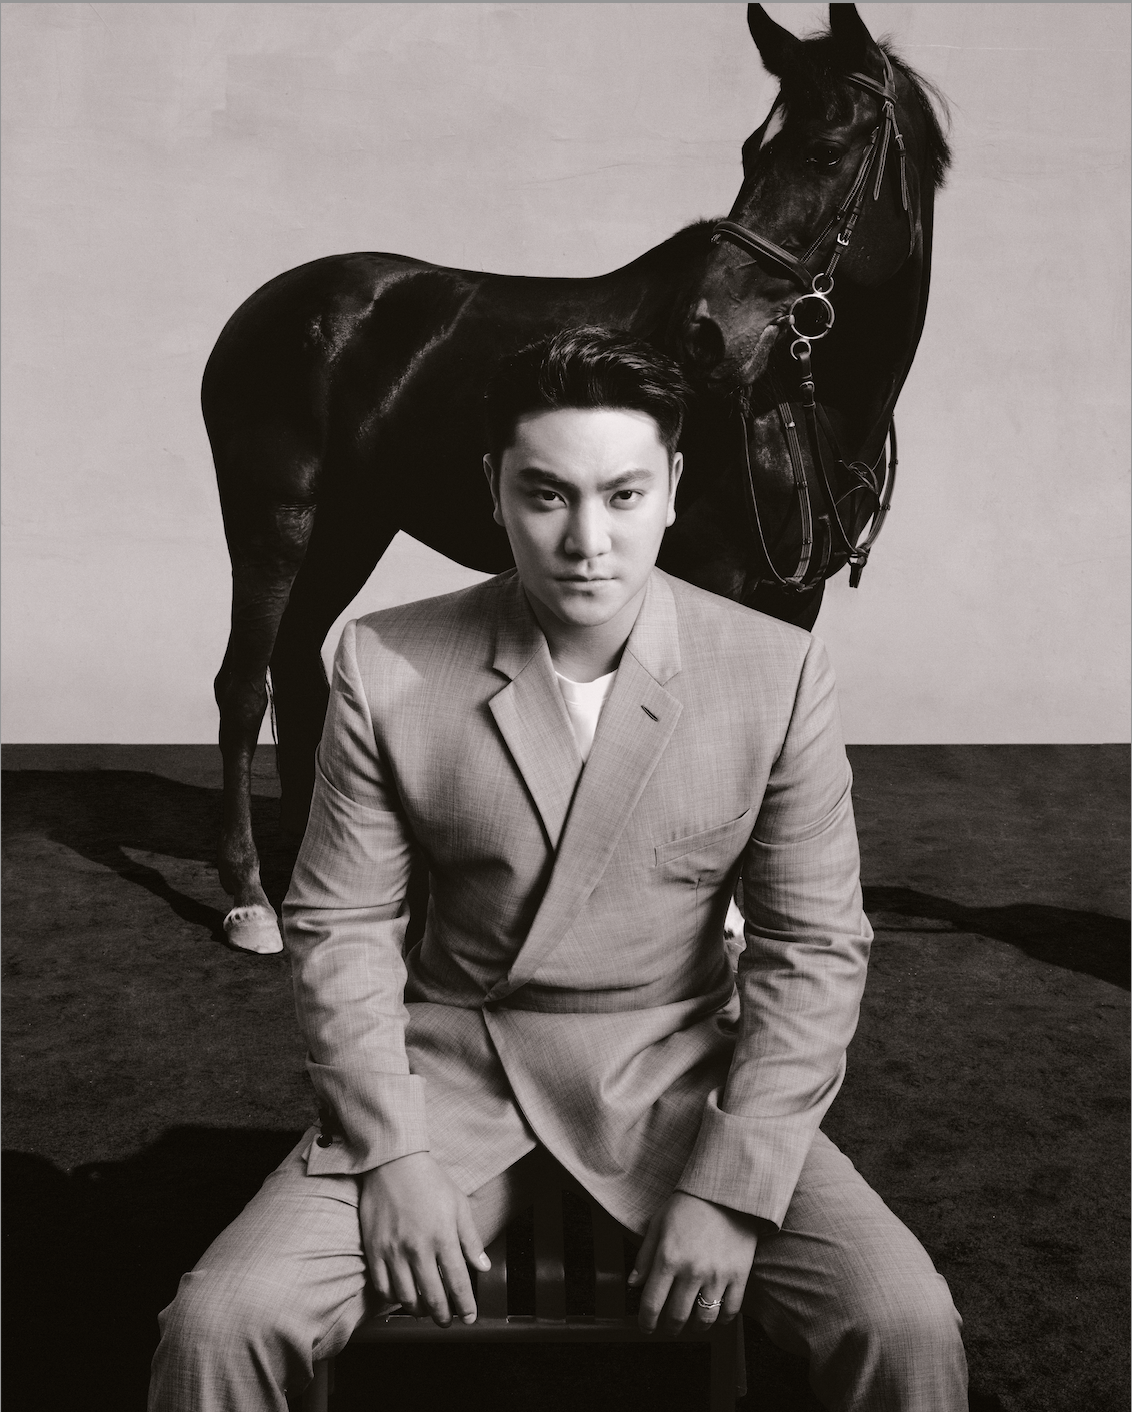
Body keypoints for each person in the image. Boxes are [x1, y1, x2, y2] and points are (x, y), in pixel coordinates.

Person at [149, 327, 967, 1410]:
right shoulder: (388, 661)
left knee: (906, 1322)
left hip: (680, 1076)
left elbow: (813, 947)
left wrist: (732, 1189)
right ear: (493, 489)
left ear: (673, 488)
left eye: (623, 496)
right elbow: (342, 926)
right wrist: (392, 1156)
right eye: (547, 495)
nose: (587, 540)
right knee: (219, 1322)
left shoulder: (776, 670)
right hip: (453, 1072)